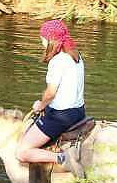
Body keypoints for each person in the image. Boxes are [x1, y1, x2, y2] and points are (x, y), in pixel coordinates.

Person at [16, 20, 85, 163]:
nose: (41, 42)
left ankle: (63, 158)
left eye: (43, 38)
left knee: (22, 152)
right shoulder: (76, 56)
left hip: (61, 116)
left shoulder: (58, 61)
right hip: (79, 111)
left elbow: (51, 93)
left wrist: (40, 105)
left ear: (50, 40)